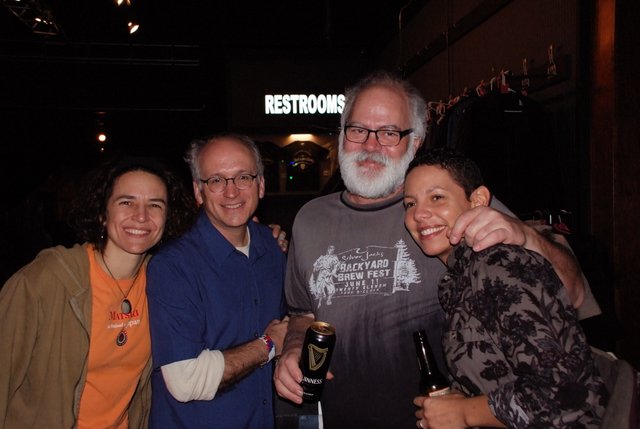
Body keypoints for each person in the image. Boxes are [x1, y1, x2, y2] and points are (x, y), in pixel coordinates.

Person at [273, 70, 600, 428]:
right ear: (341, 134)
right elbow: (304, 312)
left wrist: (526, 235)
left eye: (389, 133)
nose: (370, 145)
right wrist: (294, 345)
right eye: (358, 130)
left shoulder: (451, 208)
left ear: (415, 143)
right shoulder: (309, 219)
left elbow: (572, 293)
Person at [404, 147, 608, 428]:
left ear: (478, 200)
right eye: (410, 204)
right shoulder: (461, 277)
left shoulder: (498, 264)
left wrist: (463, 412)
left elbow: (569, 397)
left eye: (436, 197)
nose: (419, 214)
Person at [0, 156, 196, 428]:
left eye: (155, 205)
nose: (141, 216)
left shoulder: (163, 281)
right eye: (126, 202)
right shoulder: (46, 280)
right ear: (103, 213)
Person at [146, 133, 289, 429]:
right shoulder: (173, 267)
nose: (231, 191)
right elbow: (186, 381)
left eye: (243, 177)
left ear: (261, 185)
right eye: (216, 180)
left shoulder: (273, 248)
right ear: (198, 191)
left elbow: (294, 319)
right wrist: (268, 344)